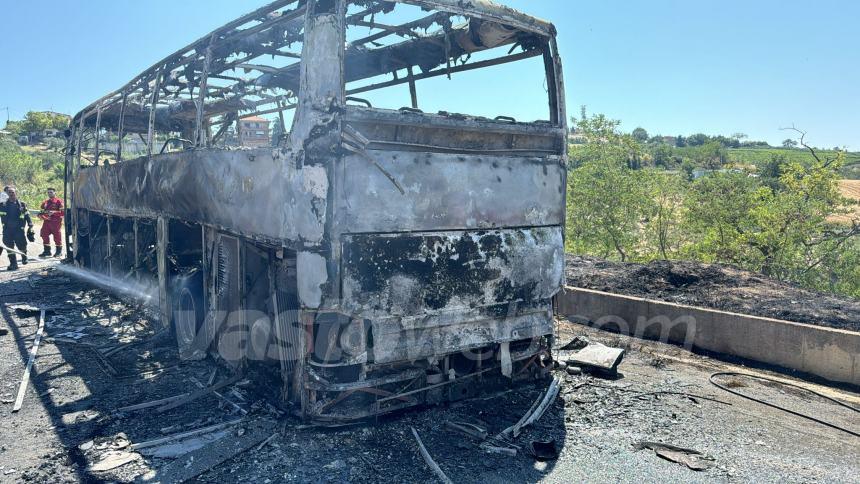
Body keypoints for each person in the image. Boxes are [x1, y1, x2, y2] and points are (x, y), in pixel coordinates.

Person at [0, 187, 34, 270]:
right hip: (7, 229)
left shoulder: (22, 204)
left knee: (22, 244)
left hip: (19, 229)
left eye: (12, 192)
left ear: (16, 193)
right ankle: (13, 264)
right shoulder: (2, 205)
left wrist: (30, 225)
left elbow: (26, 214)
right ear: (7, 194)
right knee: (9, 246)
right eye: (9, 192)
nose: (11, 194)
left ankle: (24, 256)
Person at [39, 188, 64, 258]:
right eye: (48, 192)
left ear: (55, 193)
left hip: (56, 222)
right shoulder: (45, 202)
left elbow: (63, 213)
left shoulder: (59, 201)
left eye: (51, 192)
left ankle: (59, 252)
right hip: (46, 222)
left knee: (57, 237)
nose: (49, 193)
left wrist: (53, 212)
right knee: (44, 234)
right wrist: (41, 216)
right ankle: (47, 251)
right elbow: (41, 211)